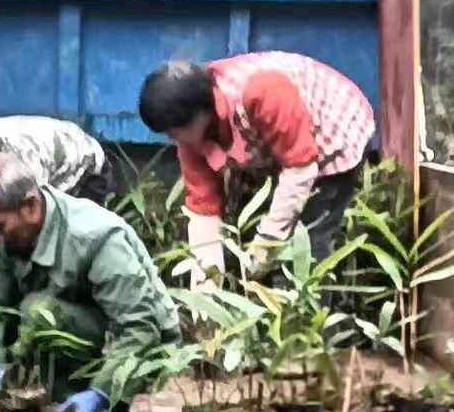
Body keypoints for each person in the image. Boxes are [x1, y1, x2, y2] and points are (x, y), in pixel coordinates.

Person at [0, 153, 181, 412]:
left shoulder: (96, 237)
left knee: (39, 313)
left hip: (136, 341)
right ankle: (54, 400)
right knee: (29, 314)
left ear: (29, 206)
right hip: (82, 324)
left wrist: (101, 394)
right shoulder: (12, 234)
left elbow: (141, 328)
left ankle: (105, 407)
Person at [138, 53, 375, 280]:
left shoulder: (261, 91)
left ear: (199, 115)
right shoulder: (189, 132)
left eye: (173, 131)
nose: (172, 139)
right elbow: (203, 210)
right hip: (279, 139)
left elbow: (300, 169)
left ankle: (303, 316)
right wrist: (205, 289)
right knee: (256, 232)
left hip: (332, 128)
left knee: (308, 243)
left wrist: (266, 246)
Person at [0, 103, 108, 266]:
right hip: (16, 182)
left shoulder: (24, 158)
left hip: (82, 171)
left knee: (72, 252)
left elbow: (38, 225)